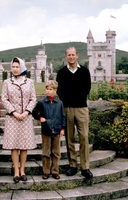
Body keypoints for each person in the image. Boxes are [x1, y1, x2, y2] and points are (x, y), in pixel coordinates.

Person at [56, 47, 93, 179]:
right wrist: (67, 101)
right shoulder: (61, 73)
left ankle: (85, 167)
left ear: (77, 56)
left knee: (84, 137)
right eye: (69, 55)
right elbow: (59, 91)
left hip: (81, 108)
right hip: (67, 109)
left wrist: (78, 98)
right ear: (66, 56)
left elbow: (87, 87)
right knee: (69, 138)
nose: (71, 57)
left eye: (73, 54)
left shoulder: (84, 71)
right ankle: (73, 165)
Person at [1, 57, 37, 183]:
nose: (15, 69)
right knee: (14, 146)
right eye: (13, 67)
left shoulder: (29, 82)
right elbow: (4, 99)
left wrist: (26, 112)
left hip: (26, 118)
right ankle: (16, 171)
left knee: (24, 145)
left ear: (21, 67)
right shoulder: (7, 82)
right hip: (12, 118)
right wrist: (15, 112)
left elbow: (33, 98)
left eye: (17, 67)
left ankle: (22, 170)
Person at [32, 80, 65, 180]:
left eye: (50, 89)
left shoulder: (60, 103)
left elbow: (63, 116)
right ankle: (46, 171)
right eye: (47, 89)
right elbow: (34, 113)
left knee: (56, 152)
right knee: (46, 152)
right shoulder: (42, 103)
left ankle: (55, 171)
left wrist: (62, 129)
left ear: (55, 91)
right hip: (46, 130)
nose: (48, 91)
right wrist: (40, 117)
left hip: (56, 130)